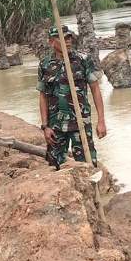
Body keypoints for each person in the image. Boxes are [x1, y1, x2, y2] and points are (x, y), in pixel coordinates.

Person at [37, 25, 107, 168]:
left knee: (87, 164)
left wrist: (101, 121)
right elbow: (43, 96)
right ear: (51, 42)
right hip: (55, 126)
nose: (68, 41)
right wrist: (45, 126)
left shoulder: (82, 59)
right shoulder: (45, 65)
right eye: (62, 38)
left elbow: (95, 90)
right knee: (55, 165)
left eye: (69, 38)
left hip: (80, 123)